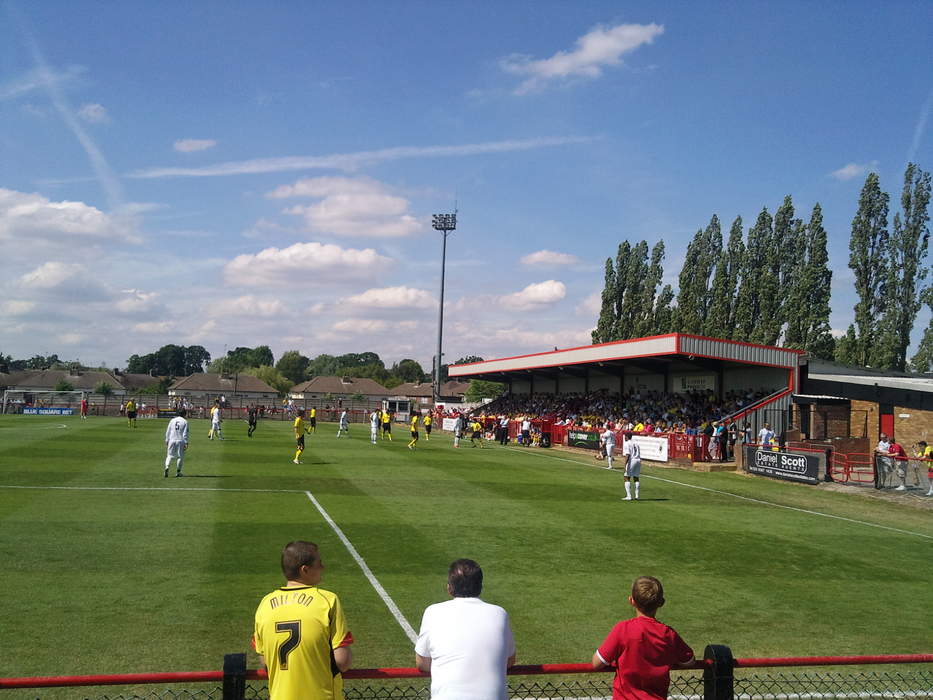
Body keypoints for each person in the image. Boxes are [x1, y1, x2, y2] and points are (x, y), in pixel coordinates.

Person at [254, 541, 353, 700]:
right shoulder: (328, 600)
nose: (323, 567)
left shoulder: (265, 604)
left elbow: (264, 661)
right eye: (319, 563)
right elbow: (342, 662)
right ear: (305, 570)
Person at [415, 559, 515, 700]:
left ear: (449, 588)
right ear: (480, 587)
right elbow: (509, 661)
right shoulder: (500, 613)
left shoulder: (433, 612)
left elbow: (422, 664)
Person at [591, 576, 695, 700]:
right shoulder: (668, 634)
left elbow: (597, 663)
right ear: (661, 603)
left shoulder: (623, 629)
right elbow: (689, 661)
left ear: (631, 601)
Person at [164, 408, 189, 478]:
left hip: (171, 440)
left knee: (169, 455)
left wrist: (166, 440)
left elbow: (168, 430)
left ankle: (167, 466)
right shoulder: (185, 422)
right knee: (180, 457)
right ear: (184, 414)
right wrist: (186, 442)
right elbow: (185, 434)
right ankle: (178, 472)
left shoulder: (172, 420)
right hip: (180, 440)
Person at [622, 431, 641, 501]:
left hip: (632, 460)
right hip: (638, 460)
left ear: (626, 437)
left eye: (625, 437)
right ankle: (637, 496)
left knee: (626, 477)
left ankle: (629, 496)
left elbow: (628, 454)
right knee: (636, 477)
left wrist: (625, 465)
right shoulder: (636, 443)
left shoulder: (627, 443)